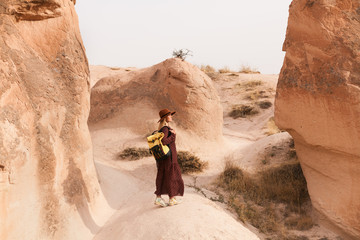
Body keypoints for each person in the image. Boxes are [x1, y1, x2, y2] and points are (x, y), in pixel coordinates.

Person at [154, 108, 184, 207]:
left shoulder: (162, 129)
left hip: (164, 157)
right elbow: (164, 141)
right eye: (170, 115)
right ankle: (171, 199)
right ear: (166, 118)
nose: (171, 117)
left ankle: (159, 198)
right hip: (169, 157)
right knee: (172, 176)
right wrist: (174, 135)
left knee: (163, 176)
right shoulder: (166, 129)